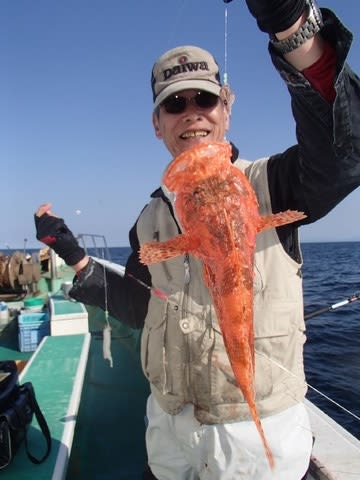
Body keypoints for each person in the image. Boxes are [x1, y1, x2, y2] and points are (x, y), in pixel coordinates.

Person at [35, 1, 360, 479]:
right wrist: (72, 254)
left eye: (204, 100)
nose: (191, 115)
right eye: (174, 103)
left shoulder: (275, 184)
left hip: (253, 443)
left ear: (226, 108)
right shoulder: (149, 219)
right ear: (157, 123)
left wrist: (292, 27)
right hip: (169, 432)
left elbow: (345, 152)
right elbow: (143, 307)